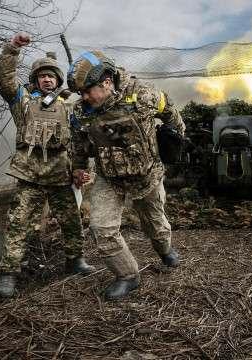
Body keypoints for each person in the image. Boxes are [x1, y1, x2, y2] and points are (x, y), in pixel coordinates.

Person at [67, 51, 186, 300]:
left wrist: (175, 136)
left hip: (147, 175)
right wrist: (79, 167)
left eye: (88, 91)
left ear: (107, 82)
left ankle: (165, 250)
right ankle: (128, 276)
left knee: (155, 226)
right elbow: (78, 144)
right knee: (101, 227)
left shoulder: (143, 95)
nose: (85, 98)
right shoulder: (82, 112)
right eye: (81, 93)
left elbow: (170, 112)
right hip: (110, 178)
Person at [0, 32, 95, 298]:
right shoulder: (23, 102)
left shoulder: (70, 107)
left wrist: (80, 170)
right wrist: (12, 49)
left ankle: (75, 260)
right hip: (29, 175)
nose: (47, 79)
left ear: (58, 80)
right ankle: (9, 274)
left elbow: (79, 141)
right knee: (18, 224)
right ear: (36, 80)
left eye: (51, 75)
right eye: (42, 76)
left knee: (72, 221)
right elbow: (2, 79)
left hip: (61, 175)